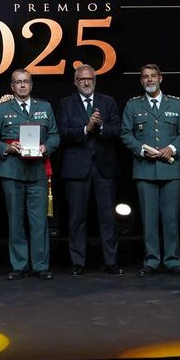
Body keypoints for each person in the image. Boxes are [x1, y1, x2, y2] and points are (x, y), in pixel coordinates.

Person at [121, 64, 180, 277]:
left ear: (160, 78)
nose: (149, 80)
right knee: (149, 219)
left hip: (170, 169)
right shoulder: (133, 106)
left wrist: (172, 148)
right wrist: (142, 150)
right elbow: (126, 134)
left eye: (153, 76)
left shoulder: (176, 104)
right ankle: (151, 261)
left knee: (170, 218)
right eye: (145, 77)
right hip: (145, 169)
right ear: (141, 81)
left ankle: (172, 261)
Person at [0, 69, 60, 280]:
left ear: (31, 85)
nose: (22, 86)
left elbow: (55, 135)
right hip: (12, 170)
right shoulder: (2, 109)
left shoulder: (44, 107)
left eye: (26, 82)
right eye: (18, 82)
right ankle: (19, 265)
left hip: (37, 170)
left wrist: (45, 147)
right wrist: (8, 148)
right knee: (16, 220)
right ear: (12, 87)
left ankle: (40, 265)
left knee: (39, 221)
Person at [57, 64, 123, 275]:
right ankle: (78, 262)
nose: (86, 82)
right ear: (76, 82)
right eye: (82, 79)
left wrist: (101, 126)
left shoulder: (108, 101)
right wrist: (86, 128)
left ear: (95, 81)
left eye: (90, 79)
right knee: (76, 218)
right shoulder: (65, 103)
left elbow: (117, 131)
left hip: (104, 168)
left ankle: (111, 261)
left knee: (108, 217)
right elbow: (62, 133)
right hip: (76, 168)